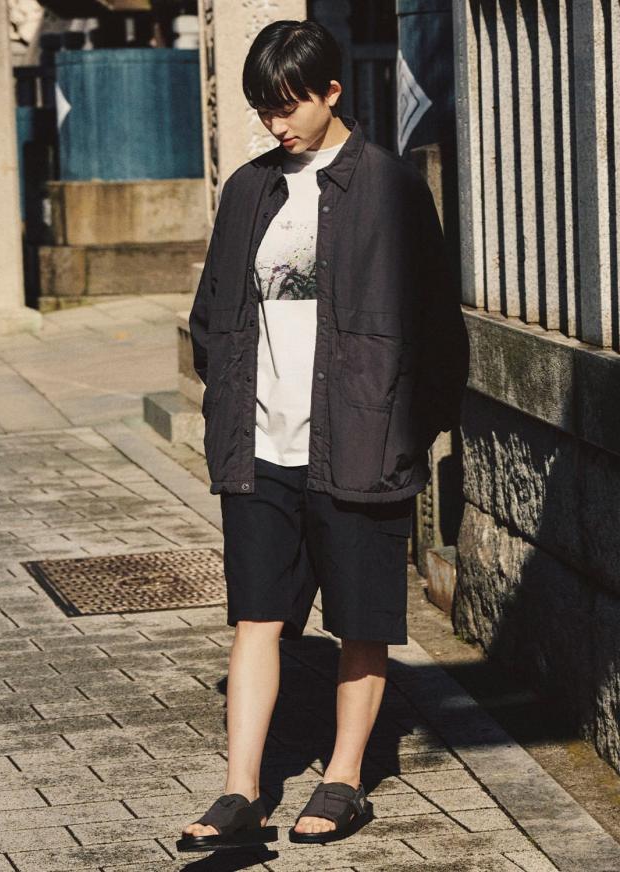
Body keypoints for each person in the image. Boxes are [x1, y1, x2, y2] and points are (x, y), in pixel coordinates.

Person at [177, 18, 470, 853]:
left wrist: (406, 431)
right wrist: (232, 403)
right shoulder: (248, 190)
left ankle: (343, 779)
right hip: (260, 444)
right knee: (256, 617)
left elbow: (437, 331)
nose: (277, 124)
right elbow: (211, 317)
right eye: (264, 109)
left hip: (362, 439)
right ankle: (241, 789)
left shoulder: (390, 188)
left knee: (361, 621)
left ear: (332, 91)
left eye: (289, 105)